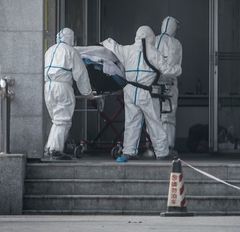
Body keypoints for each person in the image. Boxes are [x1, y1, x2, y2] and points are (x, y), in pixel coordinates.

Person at [101, 25, 182, 162]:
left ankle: (129, 151)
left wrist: (104, 42)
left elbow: (113, 46)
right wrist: (178, 69)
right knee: (154, 123)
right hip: (147, 93)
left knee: (131, 123)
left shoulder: (127, 50)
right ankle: (162, 153)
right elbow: (167, 70)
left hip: (130, 92)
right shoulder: (153, 52)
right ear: (151, 37)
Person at [44, 28, 93, 160]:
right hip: (62, 87)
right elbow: (81, 74)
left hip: (48, 87)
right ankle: (55, 150)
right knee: (63, 120)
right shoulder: (71, 51)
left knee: (57, 120)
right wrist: (88, 93)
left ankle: (50, 147)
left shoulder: (49, 50)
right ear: (71, 38)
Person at [155, 16, 183, 156]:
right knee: (168, 116)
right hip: (170, 84)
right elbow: (175, 66)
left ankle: (154, 146)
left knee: (153, 115)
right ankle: (168, 147)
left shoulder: (153, 40)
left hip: (152, 85)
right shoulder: (176, 43)